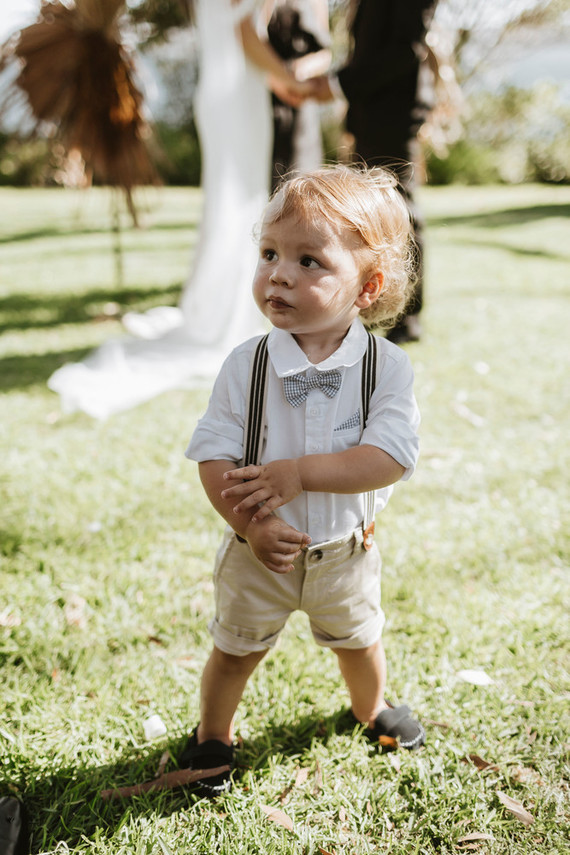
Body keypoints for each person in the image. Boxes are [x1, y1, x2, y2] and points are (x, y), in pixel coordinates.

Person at [183, 164, 425, 796]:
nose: (280, 273)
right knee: (234, 648)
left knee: (360, 639)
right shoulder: (247, 365)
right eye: (269, 254)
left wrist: (301, 473)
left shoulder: (385, 369)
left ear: (367, 287)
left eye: (309, 260)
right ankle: (213, 734)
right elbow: (213, 455)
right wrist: (251, 523)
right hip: (256, 554)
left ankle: (370, 710)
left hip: (346, 552)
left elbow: (389, 457)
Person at [48, 0, 317, 418]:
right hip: (238, 93)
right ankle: (225, 314)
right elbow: (247, 35)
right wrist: (287, 78)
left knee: (231, 204)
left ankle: (220, 304)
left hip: (221, 90)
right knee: (241, 204)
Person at [315, 0, 439, 344]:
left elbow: (405, 51)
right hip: (371, 114)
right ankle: (371, 307)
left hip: (393, 115)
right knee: (367, 213)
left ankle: (406, 316)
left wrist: (340, 84)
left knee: (401, 211)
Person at [265, 0, 331, 191]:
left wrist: (300, 73)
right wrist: (280, 80)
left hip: (303, 101)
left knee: (302, 179)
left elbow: (325, 54)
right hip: (267, 98)